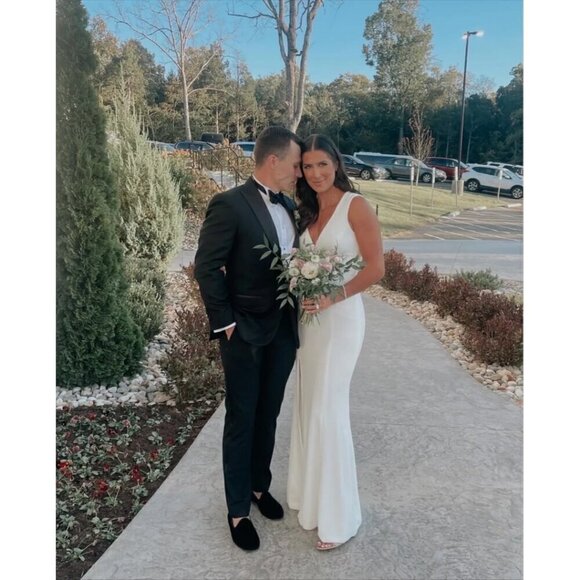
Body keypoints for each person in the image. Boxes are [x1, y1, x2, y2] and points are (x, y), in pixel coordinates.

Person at [194, 126, 303, 551]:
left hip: (283, 330)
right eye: (295, 164)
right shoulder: (230, 204)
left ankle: (259, 486)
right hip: (243, 332)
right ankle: (238, 509)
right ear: (273, 161)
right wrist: (226, 323)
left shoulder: (289, 205)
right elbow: (207, 266)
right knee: (242, 418)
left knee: (269, 413)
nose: (299, 172)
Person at [287, 134, 385, 550]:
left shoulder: (355, 206)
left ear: (336, 164)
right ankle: (309, 499)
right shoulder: (306, 211)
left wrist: (333, 295)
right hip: (310, 323)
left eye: (322, 164)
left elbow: (376, 268)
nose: (316, 174)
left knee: (328, 408)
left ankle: (338, 518)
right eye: (308, 166)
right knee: (309, 403)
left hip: (341, 319)